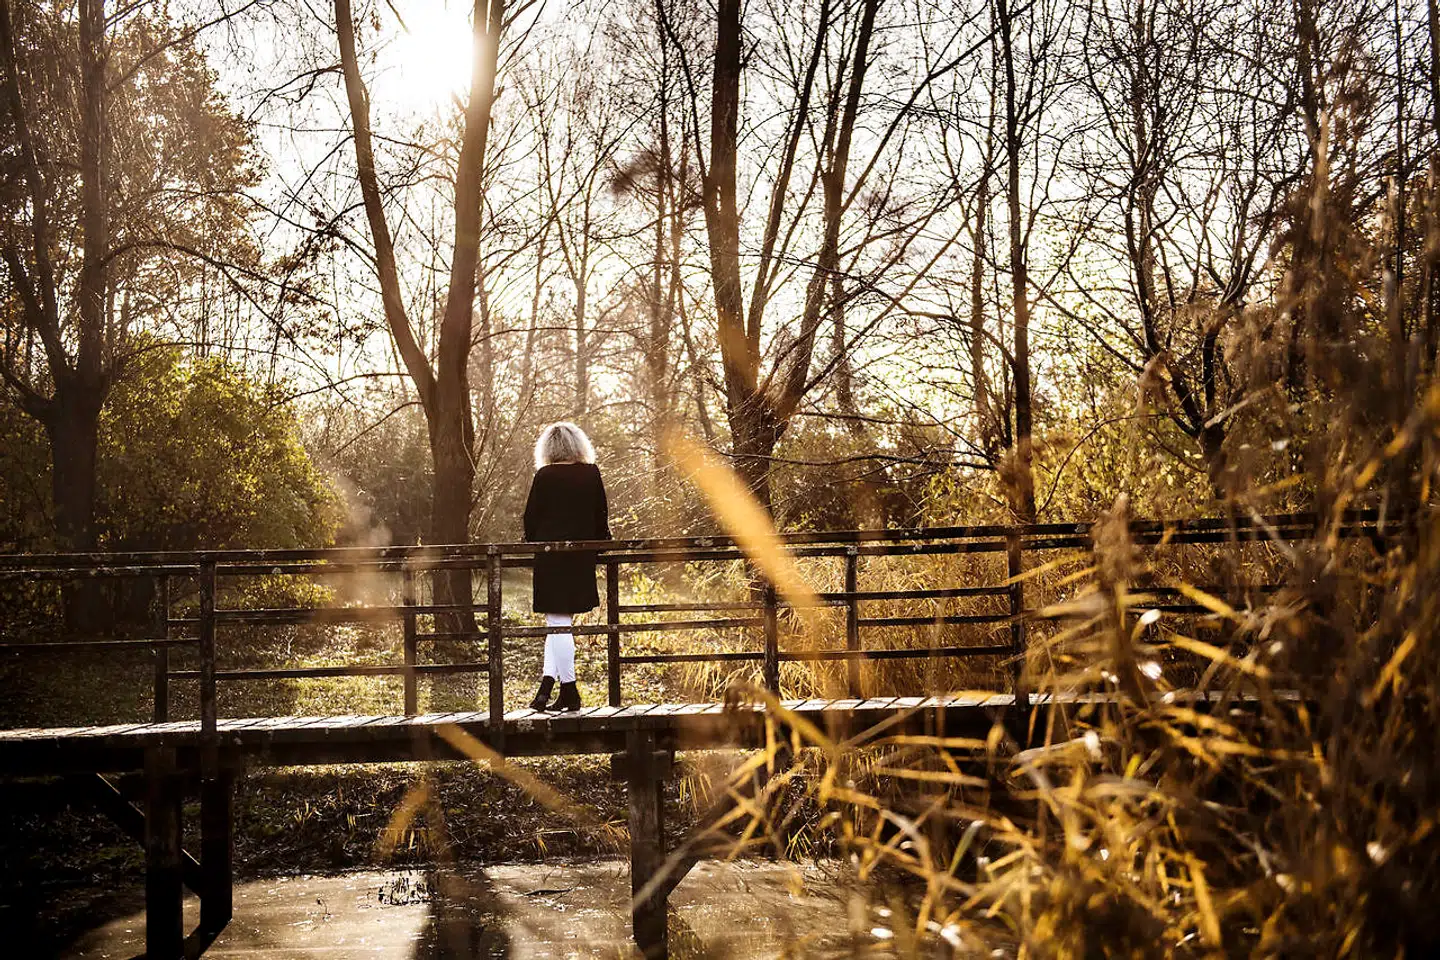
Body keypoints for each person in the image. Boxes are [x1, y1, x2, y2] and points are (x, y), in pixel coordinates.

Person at [522, 422, 610, 711]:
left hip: (551, 558)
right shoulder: (591, 474)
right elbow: (601, 517)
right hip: (581, 558)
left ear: (548, 448)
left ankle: (570, 690)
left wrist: (536, 542)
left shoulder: (545, 476)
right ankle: (546, 687)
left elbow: (530, 521)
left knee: (557, 624)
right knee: (559, 624)